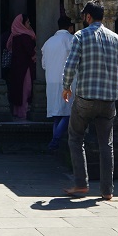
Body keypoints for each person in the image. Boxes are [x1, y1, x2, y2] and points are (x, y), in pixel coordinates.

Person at [61, 0, 118, 200]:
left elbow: (71, 65)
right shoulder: (116, 38)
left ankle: (81, 183)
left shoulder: (81, 35)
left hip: (85, 97)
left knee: (75, 136)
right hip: (108, 99)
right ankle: (107, 190)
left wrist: (66, 86)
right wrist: (115, 87)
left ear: (88, 17)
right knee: (106, 143)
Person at [42, 15, 75, 150]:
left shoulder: (48, 42)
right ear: (71, 27)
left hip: (51, 81)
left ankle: (55, 141)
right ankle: (55, 141)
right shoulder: (71, 40)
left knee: (57, 114)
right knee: (67, 113)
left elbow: (44, 65)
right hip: (67, 82)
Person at [5, 14, 37, 119]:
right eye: (27, 22)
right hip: (25, 68)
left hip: (18, 68)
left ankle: (17, 111)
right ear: (21, 24)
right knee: (26, 89)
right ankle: (23, 112)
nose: (29, 24)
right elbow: (31, 52)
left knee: (19, 88)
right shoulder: (25, 37)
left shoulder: (15, 36)